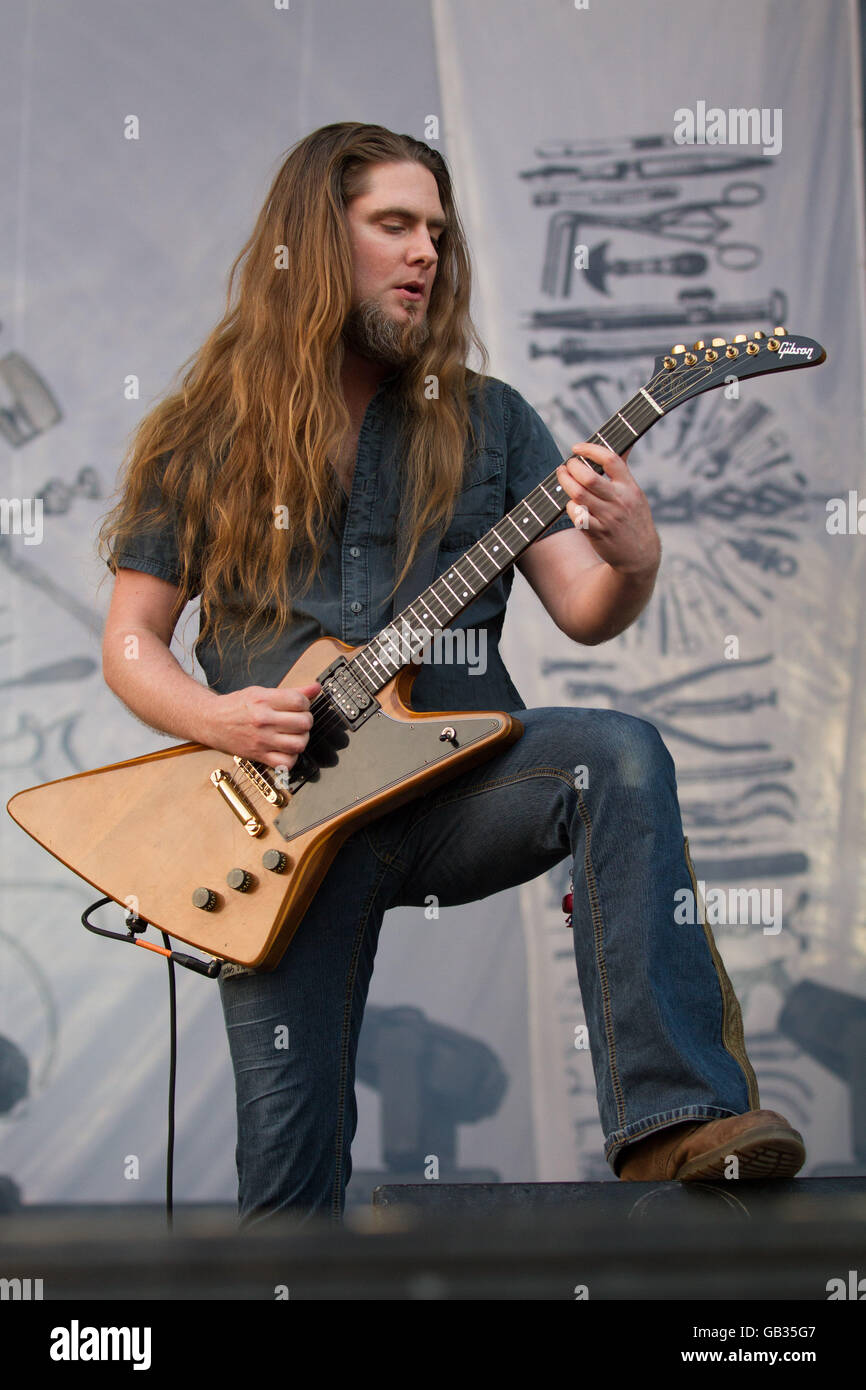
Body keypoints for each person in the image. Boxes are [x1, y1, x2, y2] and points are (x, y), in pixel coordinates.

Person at [98, 122, 805, 1224]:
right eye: (393, 225)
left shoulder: (490, 420)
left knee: (613, 754)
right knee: (285, 1197)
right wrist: (220, 717)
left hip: (454, 785)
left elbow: (583, 606)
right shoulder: (202, 435)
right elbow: (129, 642)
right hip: (282, 835)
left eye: (435, 229)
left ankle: (675, 1122)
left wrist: (634, 555)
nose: (425, 251)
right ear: (314, 242)